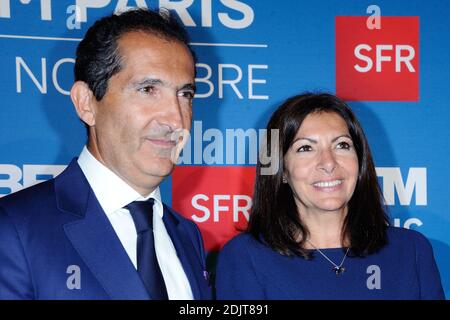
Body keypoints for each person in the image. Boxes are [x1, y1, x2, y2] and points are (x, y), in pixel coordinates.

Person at [0, 8, 211, 300]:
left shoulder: (187, 235)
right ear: (86, 103)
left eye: (185, 94)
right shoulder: (13, 228)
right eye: (148, 89)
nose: (175, 119)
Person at [215, 93, 445, 300]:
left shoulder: (411, 250)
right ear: (281, 169)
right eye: (305, 148)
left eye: (342, 145)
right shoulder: (245, 257)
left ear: (360, 161)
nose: (328, 162)